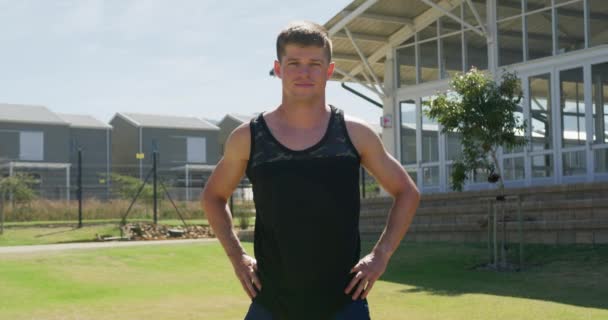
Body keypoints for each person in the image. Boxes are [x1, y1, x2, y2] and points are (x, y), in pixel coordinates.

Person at [201, 21, 420, 320]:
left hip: (344, 303)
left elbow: (406, 191)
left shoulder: (355, 134)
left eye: (315, 64)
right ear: (278, 69)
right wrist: (237, 256)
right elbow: (213, 196)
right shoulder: (249, 137)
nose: (304, 72)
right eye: (294, 63)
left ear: (329, 71)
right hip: (272, 303)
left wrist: (380, 256)